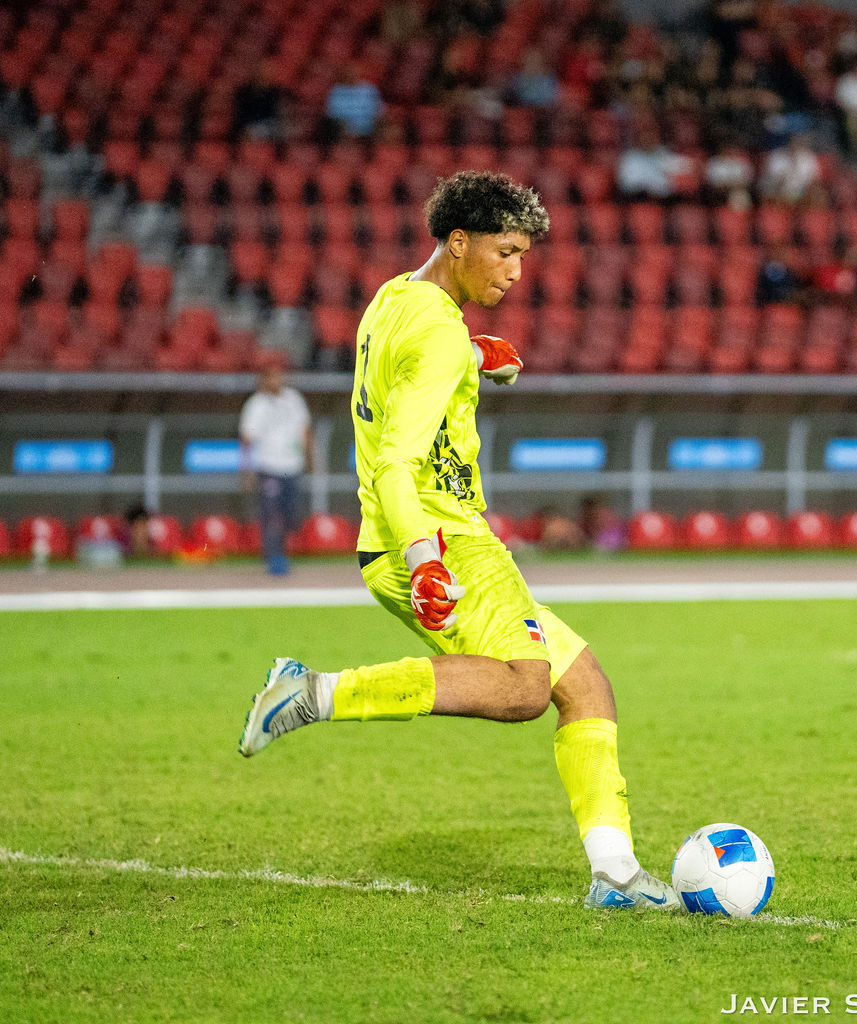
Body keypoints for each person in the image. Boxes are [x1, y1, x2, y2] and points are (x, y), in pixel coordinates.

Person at [238, 171, 679, 912]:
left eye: (524, 256)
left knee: (585, 685)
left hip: (405, 540)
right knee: (526, 689)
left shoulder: (394, 299)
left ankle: (616, 873)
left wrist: (479, 359)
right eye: (504, 251)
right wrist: (427, 561)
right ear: (459, 241)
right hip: (443, 540)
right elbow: (395, 461)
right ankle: (313, 693)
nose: (516, 270)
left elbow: (405, 377)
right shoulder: (443, 333)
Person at [239, 354, 312, 576]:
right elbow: (247, 439)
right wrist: (247, 469)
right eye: (271, 377)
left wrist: (310, 458)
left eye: (278, 376)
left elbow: (305, 430)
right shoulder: (256, 405)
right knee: (272, 515)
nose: (276, 380)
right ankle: (275, 558)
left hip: (292, 465)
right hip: (269, 467)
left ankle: (282, 552)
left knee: (290, 516)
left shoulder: (294, 400)